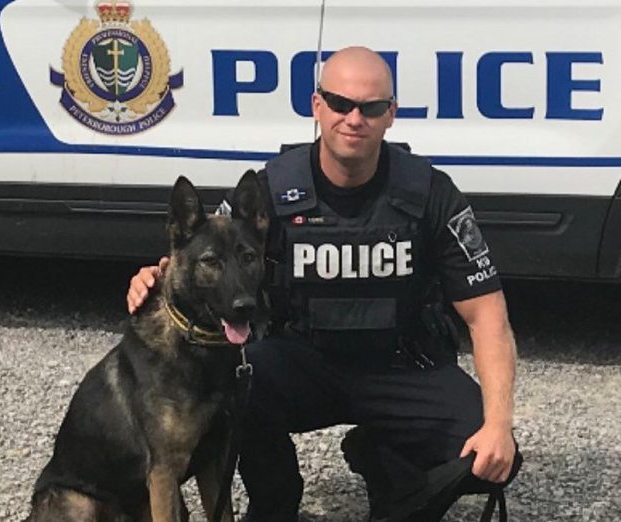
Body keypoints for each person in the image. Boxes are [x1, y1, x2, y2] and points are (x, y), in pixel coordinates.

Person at [127, 46, 521, 522]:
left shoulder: (430, 193)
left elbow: (488, 317)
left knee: (490, 454)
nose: (353, 118)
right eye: (339, 103)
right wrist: (158, 274)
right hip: (303, 359)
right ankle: (275, 502)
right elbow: (208, 249)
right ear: (317, 106)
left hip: (401, 363)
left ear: (390, 115)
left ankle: (388, 470)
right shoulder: (274, 186)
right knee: (234, 382)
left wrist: (500, 423)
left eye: (371, 107)